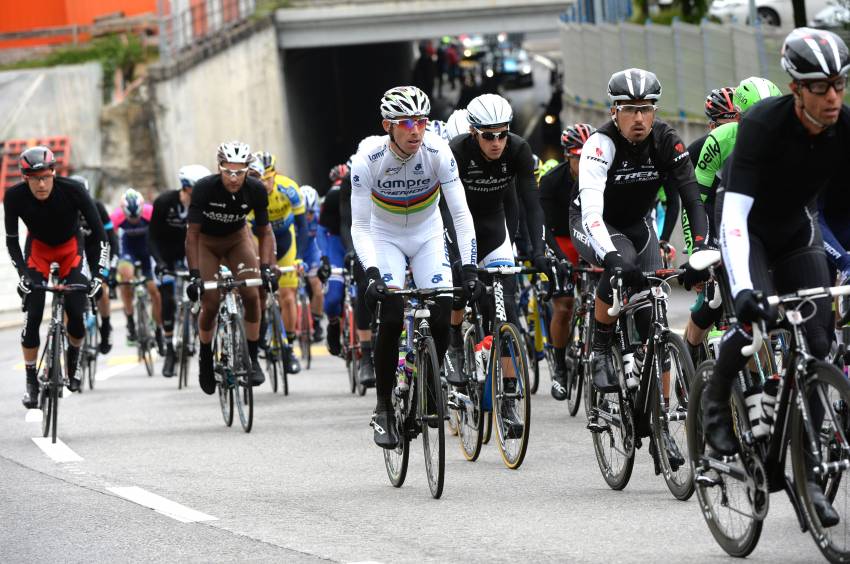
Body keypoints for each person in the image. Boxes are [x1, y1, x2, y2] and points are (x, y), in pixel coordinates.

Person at [703, 28, 850, 527]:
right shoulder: (763, 126)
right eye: (819, 87)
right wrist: (743, 291)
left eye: (839, 84)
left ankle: (807, 477)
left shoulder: (844, 126)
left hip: (794, 233)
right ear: (795, 89)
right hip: (749, 232)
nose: (832, 96)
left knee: (818, 340)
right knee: (752, 326)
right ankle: (716, 409)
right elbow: (735, 217)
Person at [568, 68, 710, 454]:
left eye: (646, 109)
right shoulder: (601, 144)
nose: (639, 118)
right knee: (624, 267)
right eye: (629, 109)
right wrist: (610, 256)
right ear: (615, 112)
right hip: (595, 221)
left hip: (639, 224)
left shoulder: (666, 140)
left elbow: (692, 198)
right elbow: (593, 211)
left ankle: (662, 423)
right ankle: (600, 347)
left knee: (653, 320)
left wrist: (698, 250)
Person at [350, 85, 479, 449]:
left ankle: (428, 383)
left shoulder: (438, 151)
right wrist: (373, 274)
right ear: (387, 126)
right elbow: (359, 227)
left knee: (441, 309)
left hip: (427, 234)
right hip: (383, 235)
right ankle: (383, 409)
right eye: (406, 123)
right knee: (391, 315)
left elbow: (460, 214)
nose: (416, 130)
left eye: (421, 121)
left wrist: (468, 268)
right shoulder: (367, 158)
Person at [682, 77, 781, 367]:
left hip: (754, 214)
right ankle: (691, 351)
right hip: (716, 209)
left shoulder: (786, 138)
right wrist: (698, 249)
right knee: (713, 294)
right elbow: (696, 201)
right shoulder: (717, 141)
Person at [5, 146, 108, 405]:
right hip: (38, 250)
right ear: (24, 178)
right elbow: (12, 241)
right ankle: (31, 380)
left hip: (69, 250)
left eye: (45, 177)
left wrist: (98, 276)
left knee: (76, 310)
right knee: (34, 315)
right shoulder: (14, 196)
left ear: (53, 172)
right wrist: (22, 275)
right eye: (34, 178)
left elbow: (101, 237)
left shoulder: (74, 190)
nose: (41, 184)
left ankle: (73, 360)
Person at [185, 141, 276, 394]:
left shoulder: (256, 189)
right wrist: (194, 276)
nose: (234, 178)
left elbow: (264, 232)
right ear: (219, 168)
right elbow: (191, 235)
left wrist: (267, 267)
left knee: (251, 294)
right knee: (211, 302)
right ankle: (205, 357)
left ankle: (253, 357)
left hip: (237, 239)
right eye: (228, 171)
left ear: (248, 169)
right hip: (207, 243)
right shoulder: (204, 188)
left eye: (240, 171)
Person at [539, 124, 596, 400]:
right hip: (562, 239)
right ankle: (560, 367)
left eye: (589, 156)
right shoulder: (551, 182)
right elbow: (545, 230)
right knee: (564, 306)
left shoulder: (604, 176)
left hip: (591, 235)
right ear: (566, 157)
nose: (584, 163)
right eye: (578, 157)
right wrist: (560, 260)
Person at [149, 164, 211, 377]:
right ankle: (169, 350)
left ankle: (195, 325)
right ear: (186, 187)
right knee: (166, 298)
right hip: (166, 253)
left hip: (190, 251)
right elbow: (152, 236)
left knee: (202, 290)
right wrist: (159, 263)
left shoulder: (205, 205)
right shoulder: (165, 202)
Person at [249, 152, 306, 375]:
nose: (265, 184)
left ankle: (289, 347)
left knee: (288, 296)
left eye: (268, 179)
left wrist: (300, 256)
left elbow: (302, 226)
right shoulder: (250, 193)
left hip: (285, 240)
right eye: (260, 180)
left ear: (275, 174)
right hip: (258, 240)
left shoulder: (289, 189)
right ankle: (262, 328)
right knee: (257, 292)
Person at [70, 174, 118, 354]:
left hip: (95, 251)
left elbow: (111, 239)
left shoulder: (97, 207)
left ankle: (105, 327)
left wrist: (110, 268)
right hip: (75, 252)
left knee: (101, 288)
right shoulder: (64, 208)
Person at [111, 188, 163, 351]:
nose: (133, 220)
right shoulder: (116, 217)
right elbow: (111, 241)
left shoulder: (151, 212)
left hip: (147, 250)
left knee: (154, 291)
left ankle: (158, 329)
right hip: (127, 250)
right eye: (130, 217)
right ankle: (131, 322)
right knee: (125, 279)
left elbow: (159, 236)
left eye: (136, 217)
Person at [317, 166, 349, 356]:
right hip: (337, 245)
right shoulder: (332, 196)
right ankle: (334, 325)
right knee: (333, 299)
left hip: (357, 241)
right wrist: (325, 258)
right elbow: (321, 231)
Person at [299, 184, 327, 343]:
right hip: (296, 249)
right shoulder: (294, 216)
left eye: (311, 212)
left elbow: (322, 237)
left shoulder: (318, 216)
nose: (308, 216)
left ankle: (316, 322)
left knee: (317, 285)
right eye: (305, 213)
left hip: (312, 250)